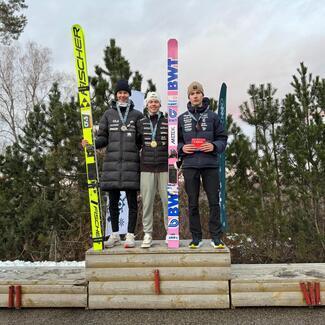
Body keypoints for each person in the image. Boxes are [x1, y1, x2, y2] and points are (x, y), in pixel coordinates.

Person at [82, 80, 143, 248]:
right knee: (113, 203)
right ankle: (115, 234)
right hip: (112, 165)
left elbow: (142, 139)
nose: (122, 95)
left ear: (129, 95)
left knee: (132, 202)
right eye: (119, 93)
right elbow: (103, 138)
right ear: (116, 95)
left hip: (131, 164)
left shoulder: (137, 115)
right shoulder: (108, 114)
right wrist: (92, 143)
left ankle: (130, 235)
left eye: (125, 92)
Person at [178, 81, 228, 249]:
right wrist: (182, 148)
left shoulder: (213, 117)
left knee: (214, 201)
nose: (195, 96)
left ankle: (216, 237)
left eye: (198, 93)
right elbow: (175, 143)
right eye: (192, 94)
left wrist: (214, 146)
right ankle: (196, 238)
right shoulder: (182, 118)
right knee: (193, 202)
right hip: (190, 165)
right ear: (189, 97)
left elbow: (222, 139)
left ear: (202, 95)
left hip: (210, 165)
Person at [137, 92, 168, 248]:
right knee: (147, 203)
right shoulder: (141, 122)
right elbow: (136, 145)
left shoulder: (168, 122)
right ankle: (148, 234)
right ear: (146, 105)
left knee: (167, 202)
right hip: (147, 168)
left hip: (164, 168)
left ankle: (171, 232)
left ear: (160, 104)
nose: (154, 104)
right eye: (151, 102)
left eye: (156, 101)